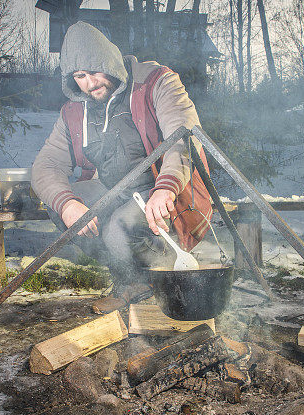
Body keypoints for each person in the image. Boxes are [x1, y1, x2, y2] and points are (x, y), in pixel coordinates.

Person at [31, 21, 212, 313]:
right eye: (79, 76)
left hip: (167, 190)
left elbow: (184, 134)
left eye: (94, 71)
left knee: (118, 228)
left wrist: (166, 188)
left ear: (110, 63)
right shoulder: (75, 110)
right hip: (113, 190)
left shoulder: (156, 81)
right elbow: (46, 165)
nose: (89, 84)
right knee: (60, 202)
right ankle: (127, 279)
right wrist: (67, 205)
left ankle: (153, 282)